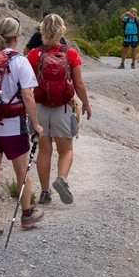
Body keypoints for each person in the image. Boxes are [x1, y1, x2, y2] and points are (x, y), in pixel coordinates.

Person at [0, 15, 44, 239]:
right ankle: (26, 215)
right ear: (16, 37)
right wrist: (36, 125)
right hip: (12, 127)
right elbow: (28, 96)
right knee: (22, 172)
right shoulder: (19, 61)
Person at [29, 13, 90, 207]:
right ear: (61, 30)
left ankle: (45, 192)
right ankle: (61, 179)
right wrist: (86, 103)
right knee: (66, 150)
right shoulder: (70, 53)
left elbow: (26, 84)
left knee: (44, 150)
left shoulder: (34, 54)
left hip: (39, 107)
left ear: (42, 31)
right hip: (63, 108)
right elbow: (79, 84)